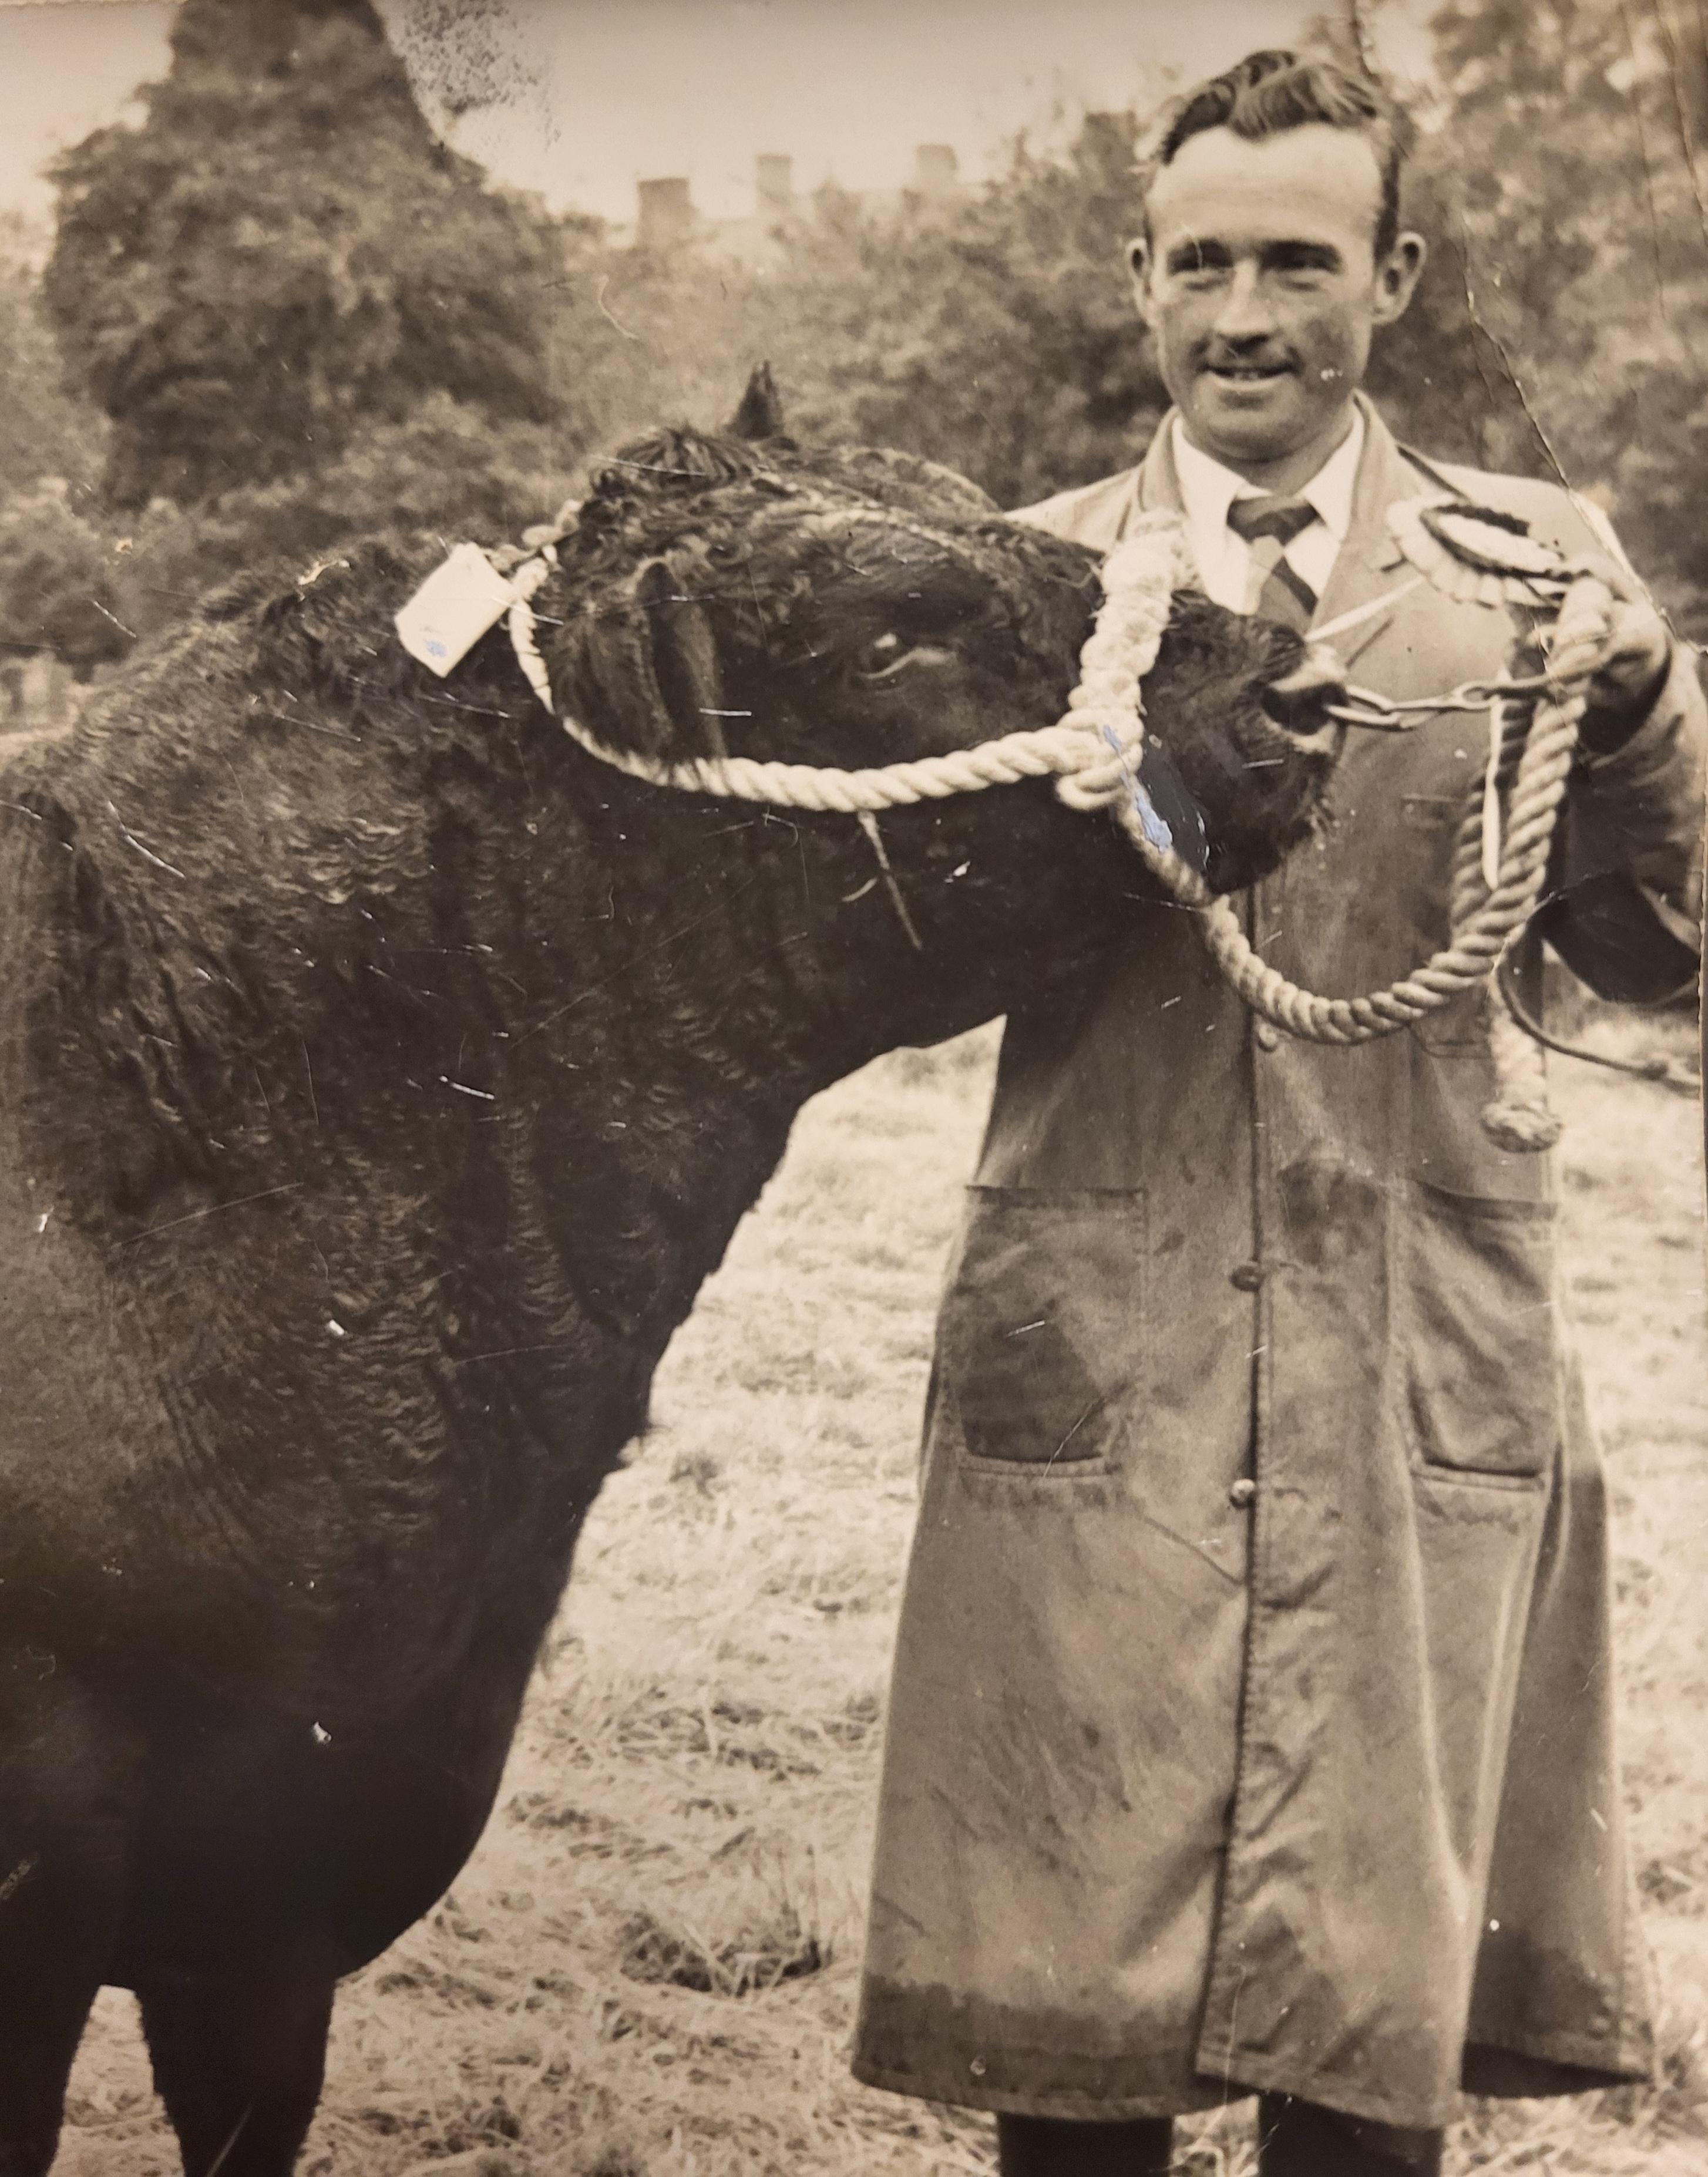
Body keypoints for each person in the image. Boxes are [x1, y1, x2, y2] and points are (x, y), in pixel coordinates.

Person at [850, 48, 1707, 2177]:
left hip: (1413, 1356)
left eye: (1299, 261)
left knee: (1360, 2056)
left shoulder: (1537, 575)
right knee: (1071, 2058)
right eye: (1203, 260)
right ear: (1135, 281)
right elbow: (899, 976)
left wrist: (1645, 710)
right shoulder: (1026, 585)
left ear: (1391, 276)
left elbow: (1657, 955)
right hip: (1102, 1355)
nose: (1247, 311)